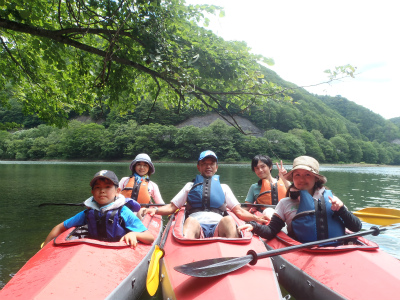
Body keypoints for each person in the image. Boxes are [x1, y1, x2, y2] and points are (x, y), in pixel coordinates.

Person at [143, 150, 267, 239]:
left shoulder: (224, 188)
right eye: (204, 164)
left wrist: (257, 218)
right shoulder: (189, 186)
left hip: (219, 227)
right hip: (197, 227)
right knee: (190, 220)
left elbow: (239, 212)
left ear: (216, 167)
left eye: (211, 164)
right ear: (199, 167)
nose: (208, 166)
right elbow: (171, 207)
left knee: (229, 220)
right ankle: (188, 256)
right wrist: (155, 210)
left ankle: (233, 257)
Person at [239, 156, 362, 243]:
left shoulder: (331, 200)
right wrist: (254, 226)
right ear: (293, 178)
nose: (301, 179)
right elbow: (270, 231)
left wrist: (341, 211)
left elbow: (356, 227)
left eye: (307, 174)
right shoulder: (285, 203)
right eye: (297, 175)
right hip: (302, 251)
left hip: (336, 250)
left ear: (316, 178)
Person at [43, 170, 154, 247]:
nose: (102, 191)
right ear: (92, 192)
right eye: (97, 187)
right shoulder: (87, 213)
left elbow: (149, 237)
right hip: (92, 251)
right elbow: (59, 228)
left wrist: (134, 234)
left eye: (108, 187)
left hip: (116, 251)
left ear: (118, 191)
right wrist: (44, 250)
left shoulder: (124, 212)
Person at [243, 155, 290, 220]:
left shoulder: (283, 182)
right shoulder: (254, 187)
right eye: (257, 168)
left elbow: (294, 196)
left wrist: (285, 178)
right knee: (268, 211)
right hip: (265, 218)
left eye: (263, 167)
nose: (260, 170)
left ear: (270, 167)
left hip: (284, 215)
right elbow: (246, 207)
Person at [119, 153, 164, 218]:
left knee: (140, 214)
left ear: (149, 168)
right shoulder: (124, 180)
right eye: (139, 164)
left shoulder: (153, 185)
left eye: (145, 165)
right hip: (124, 212)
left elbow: (160, 204)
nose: (142, 167)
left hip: (142, 214)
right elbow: (115, 196)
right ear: (134, 166)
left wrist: (170, 210)